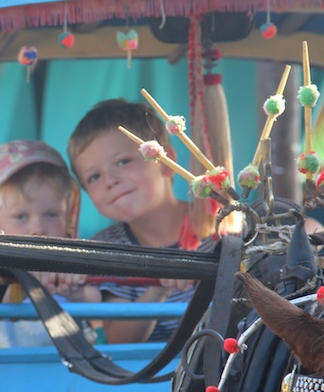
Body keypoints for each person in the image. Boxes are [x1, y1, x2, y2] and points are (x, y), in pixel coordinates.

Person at [67, 99, 216, 344]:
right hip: (152, 377)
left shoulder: (220, 226)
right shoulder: (107, 249)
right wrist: (159, 289)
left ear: (166, 162)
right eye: (94, 177)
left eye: (123, 162)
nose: (110, 181)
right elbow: (121, 340)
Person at [0, 139, 101, 351]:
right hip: (0, 377)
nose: (38, 228)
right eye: (21, 216)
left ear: (69, 217)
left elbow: (98, 316)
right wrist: (28, 285)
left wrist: (77, 292)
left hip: (70, 378)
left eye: (52, 214)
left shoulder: (73, 260)